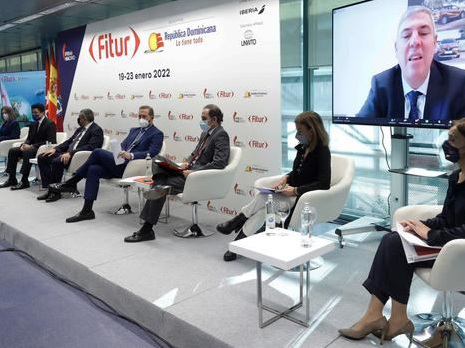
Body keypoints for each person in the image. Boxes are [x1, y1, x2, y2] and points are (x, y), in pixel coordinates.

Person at [338, 117, 465, 344]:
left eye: (452, 140)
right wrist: (419, 225)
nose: (446, 144)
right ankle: (380, 316)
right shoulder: (458, 176)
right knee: (392, 240)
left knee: (395, 246)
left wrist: (430, 236)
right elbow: (447, 219)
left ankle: (393, 318)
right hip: (459, 246)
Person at [218, 111, 331, 262]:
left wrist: (295, 190)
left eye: (300, 132)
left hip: (303, 200)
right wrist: (286, 177)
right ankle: (238, 243)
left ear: (312, 130)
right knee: (263, 209)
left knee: (264, 198)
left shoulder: (322, 151)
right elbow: (298, 172)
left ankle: (236, 223)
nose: (297, 135)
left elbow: (324, 183)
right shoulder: (303, 148)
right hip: (290, 193)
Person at [356, 6, 465, 122]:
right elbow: (359, 128)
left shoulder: (459, 83)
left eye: (423, 33)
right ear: (396, 49)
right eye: (406, 35)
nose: (414, 41)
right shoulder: (381, 85)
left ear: (435, 43)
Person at [124, 104, 230, 242]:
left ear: (214, 119)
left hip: (197, 178)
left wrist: (193, 171)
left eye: (204, 118)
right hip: (187, 172)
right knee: (158, 159)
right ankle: (157, 188)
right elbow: (195, 153)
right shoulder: (205, 133)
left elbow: (220, 162)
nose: (201, 121)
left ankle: (147, 229)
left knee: (160, 186)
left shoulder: (221, 134)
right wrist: (187, 162)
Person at [53, 105, 163, 223]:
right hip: (120, 162)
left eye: (144, 116)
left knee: (97, 152)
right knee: (93, 169)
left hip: (132, 166)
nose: (141, 118)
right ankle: (87, 211)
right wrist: (119, 151)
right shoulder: (134, 130)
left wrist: (130, 155)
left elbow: (152, 152)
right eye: (139, 116)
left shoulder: (157, 133)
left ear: (151, 117)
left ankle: (71, 182)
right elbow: (124, 144)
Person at [36, 109, 104, 202]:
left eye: (79, 118)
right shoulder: (80, 129)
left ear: (84, 118)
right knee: (42, 157)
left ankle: (56, 192)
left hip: (78, 157)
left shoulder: (96, 130)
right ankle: (50, 188)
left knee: (57, 161)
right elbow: (69, 141)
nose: (78, 120)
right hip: (67, 153)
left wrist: (70, 153)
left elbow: (91, 147)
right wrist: (55, 149)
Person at [0, 103, 56, 190]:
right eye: (32, 112)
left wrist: (32, 146)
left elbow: (51, 141)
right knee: (13, 151)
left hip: (42, 149)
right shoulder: (33, 124)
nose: (34, 114)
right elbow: (29, 138)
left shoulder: (50, 124)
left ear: (43, 112)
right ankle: (12, 179)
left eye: (36, 112)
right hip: (31, 148)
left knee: (28, 152)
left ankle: (24, 180)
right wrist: (23, 145)